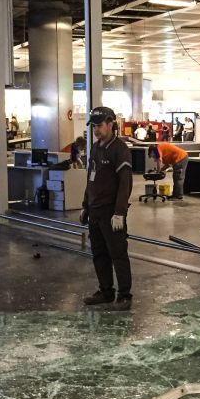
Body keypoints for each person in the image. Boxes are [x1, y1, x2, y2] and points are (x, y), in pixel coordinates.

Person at [80, 106, 133, 311]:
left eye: (100, 126)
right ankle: (106, 291)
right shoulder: (95, 148)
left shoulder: (120, 150)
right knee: (99, 253)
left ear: (111, 124)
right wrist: (85, 205)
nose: (96, 130)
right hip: (95, 212)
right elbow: (90, 179)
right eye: (94, 126)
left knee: (118, 254)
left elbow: (125, 183)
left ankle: (125, 295)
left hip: (112, 213)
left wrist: (120, 212)